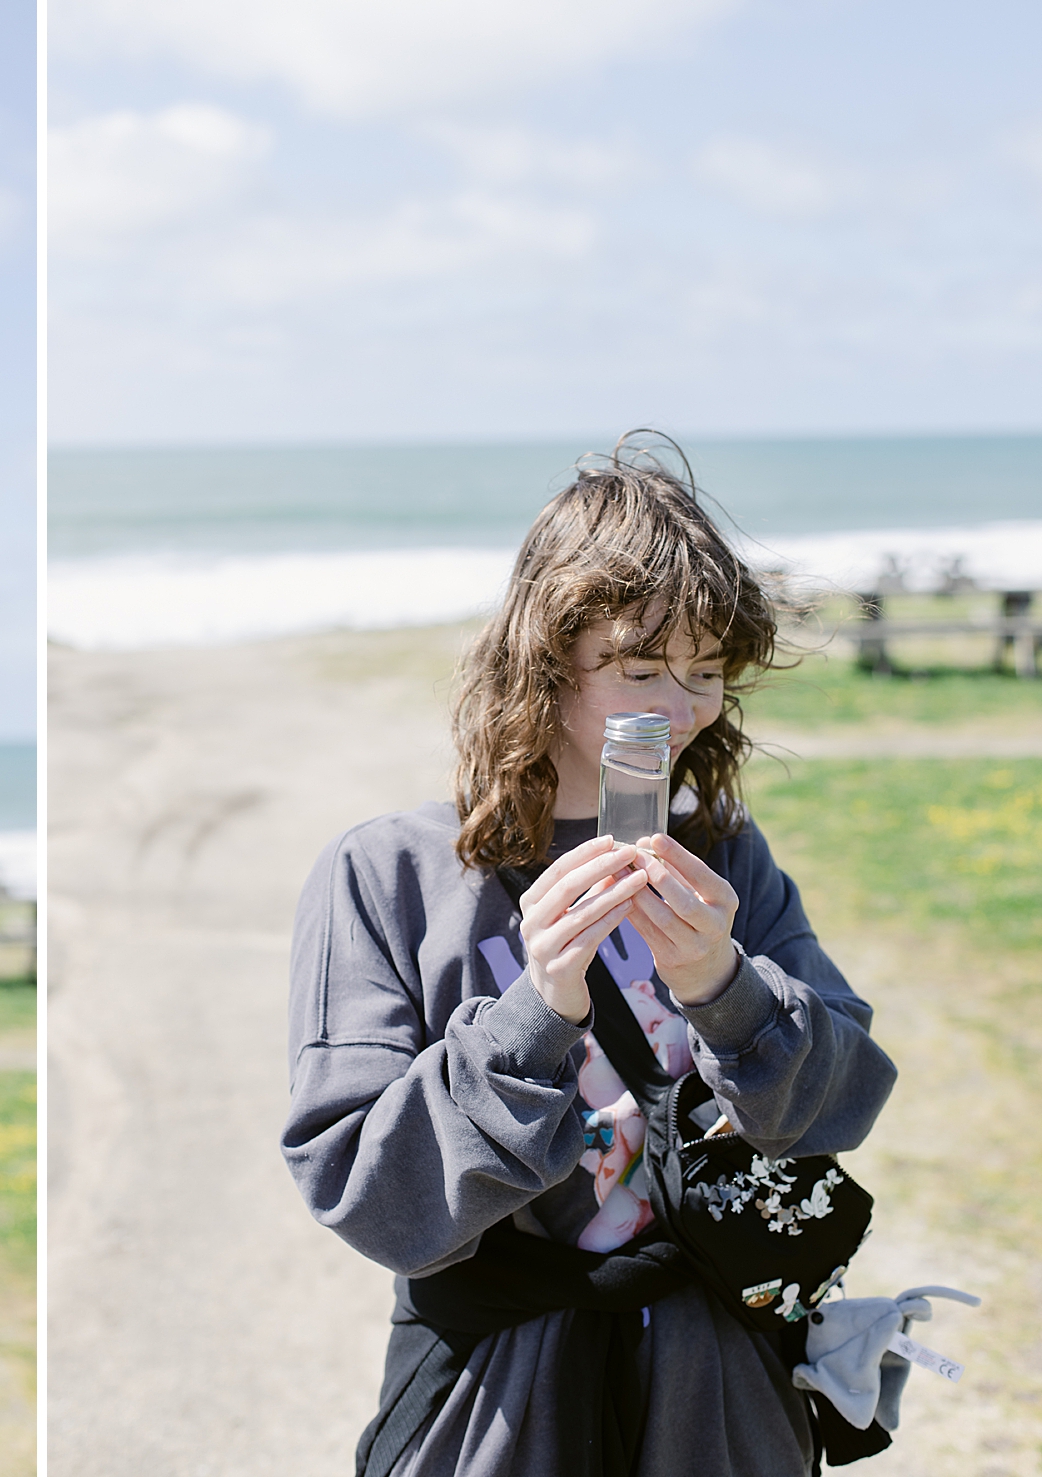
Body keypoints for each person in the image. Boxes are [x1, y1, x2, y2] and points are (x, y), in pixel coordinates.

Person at [280, 436, 897, 1475]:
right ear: (542, 656)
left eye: (703, 672)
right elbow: (366, 1191)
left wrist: (724, 990)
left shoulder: (724, 858)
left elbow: (839, 1105)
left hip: (721, 1401)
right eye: (639, 664)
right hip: (489, 1409)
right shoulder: (386, 875)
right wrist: (536, 1009)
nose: (679, 703)